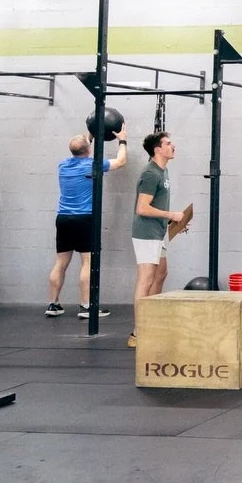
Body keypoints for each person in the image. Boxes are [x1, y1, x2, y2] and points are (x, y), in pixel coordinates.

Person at [48, 125, 127, 318]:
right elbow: (121, 161)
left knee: (60, 263)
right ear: (89, 150)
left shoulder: (63, 165)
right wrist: (122, 139)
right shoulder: (93, 165)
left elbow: (80, 147)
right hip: (84, 219)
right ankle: (86, 307)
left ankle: (53, 304)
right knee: (87, 262)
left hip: (64, 219)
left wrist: (90, 135)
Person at [130, 131, 184, 348]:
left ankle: (150, 321)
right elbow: (142, 208)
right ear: (157, 149)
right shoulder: (151, 173)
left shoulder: (164, 171)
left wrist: (174, 222)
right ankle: (137, 333)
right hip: (146, 233)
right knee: (146, 279)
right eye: (168, 143)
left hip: (158, 232)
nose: (173, 146)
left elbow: (157, 205)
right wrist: (171, 215)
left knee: (161, 274)